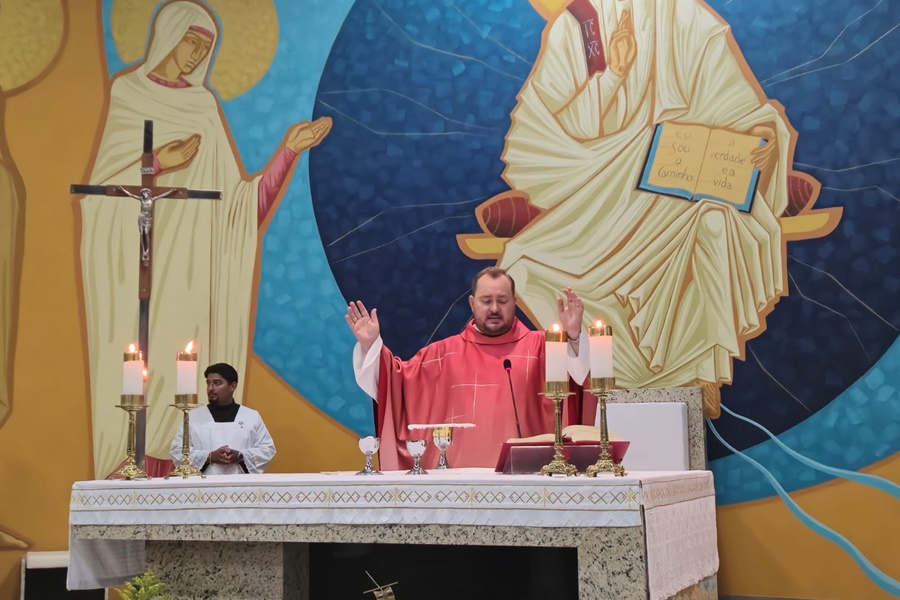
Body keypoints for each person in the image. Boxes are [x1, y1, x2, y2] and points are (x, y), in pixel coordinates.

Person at [489, 0, 805, 417]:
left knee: (715, 224)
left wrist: (762, 136)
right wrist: (613, 76)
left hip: (684, 186)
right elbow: (552, 129)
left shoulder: (689, 18)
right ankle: (618, 376)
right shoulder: (580, 25)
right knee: (524, 264)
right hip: (605, 188)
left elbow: (737, 107)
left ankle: (694, 369)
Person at [80, 0, 330, 477]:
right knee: (143, 365)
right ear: (167, 37)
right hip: (142, 267)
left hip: (195, 273)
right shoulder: (128, 93)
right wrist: (157, 163)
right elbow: (102, 192)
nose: (197, 55)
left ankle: (173, 470)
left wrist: (288, 152)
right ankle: (131, 471)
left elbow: (237, 208)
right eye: (191, 41)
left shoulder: (204, 107)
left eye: (206, 47)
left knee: (180, 371)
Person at [346, 267, 590, 470]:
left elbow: (578, 378)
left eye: (502, 301)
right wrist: (372, 347)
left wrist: (573, 337)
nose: (494, 309)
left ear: (515, 302)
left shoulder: (543, 348)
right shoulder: (443, 354)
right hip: (459, 486)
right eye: (486, 301)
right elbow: (396, 382)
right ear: (472, 303)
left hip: (528, 480)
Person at [170, 363, 275, 474]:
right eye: (208, 383)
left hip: (241, 483)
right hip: (204, 483)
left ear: (232, 386)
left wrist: (240, 456)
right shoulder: (193, 417)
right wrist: (209, 456)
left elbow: (267, 449)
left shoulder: (251, 416)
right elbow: (177, 450)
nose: (211, 388)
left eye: (217, 383)